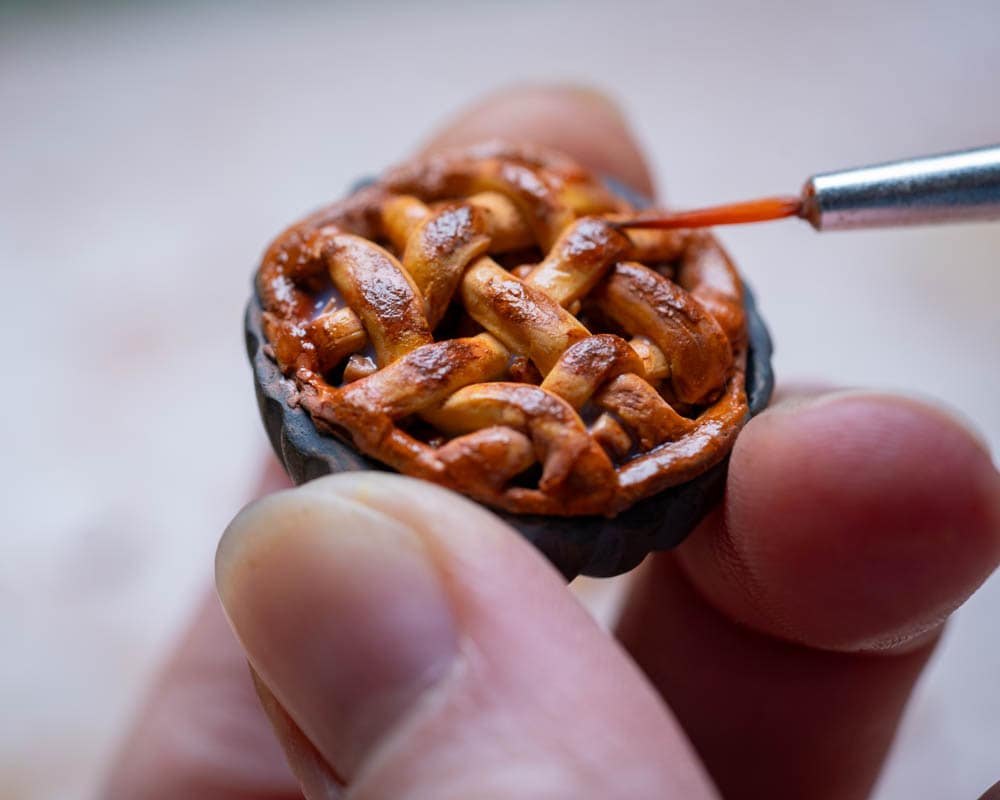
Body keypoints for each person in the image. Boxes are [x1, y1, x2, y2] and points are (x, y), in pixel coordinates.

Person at [102, 86, 1000, 800]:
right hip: (412, 391)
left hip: (601, 433)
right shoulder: (378, 300)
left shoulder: (625, 336)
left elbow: (624, 356)